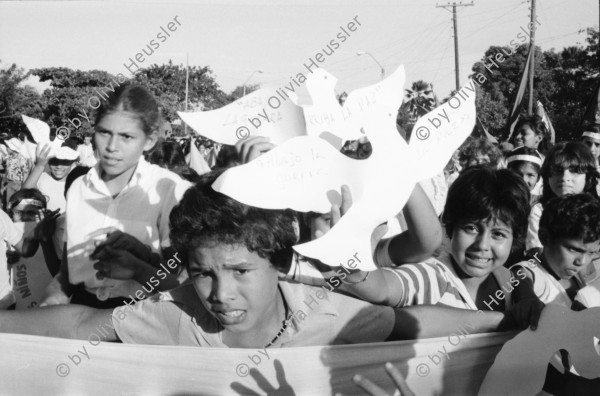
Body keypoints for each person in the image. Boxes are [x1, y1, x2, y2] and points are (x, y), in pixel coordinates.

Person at [0, 171, 524, 345]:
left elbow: (407, 325)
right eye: (203, 272)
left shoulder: (327, 312)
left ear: (279, 263)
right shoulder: (178, 313)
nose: (220, 295)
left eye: (241, 271)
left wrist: (506, 324)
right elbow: (86, 326)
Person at [338, 167, 544, 330]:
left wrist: (527, 296)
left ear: (515, 238)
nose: (482, 245)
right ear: (450, 226)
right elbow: (382, 288)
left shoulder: (505, 279)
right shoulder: (433, 276)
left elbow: (521, 278)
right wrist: (354, 269)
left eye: (498, 234)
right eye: (471, 228)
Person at [41, 84, 191, 309]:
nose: (112, 147)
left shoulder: (171, 190)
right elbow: (66, 275)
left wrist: (139, 269)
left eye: (126, 137)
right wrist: (52, 300)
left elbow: (183, 285)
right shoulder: (79, 188)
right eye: (104, 132)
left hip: (144, 317)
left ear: (149, 141)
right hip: (82, 313)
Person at [513, 193, 600, 396]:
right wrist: (528, 299)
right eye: (573, 249)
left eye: (591, 252)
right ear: (544, 237)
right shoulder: (529, 271)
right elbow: (520, 280)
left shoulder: (580, 277)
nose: (582, 261)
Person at [526, 142, 600, 251]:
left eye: (574, 171)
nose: (565, 177)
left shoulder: (596, 212)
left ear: (588, 177)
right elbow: (535, 253)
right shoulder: (540, 211)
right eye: (557, 171)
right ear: (547, 177)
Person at [6, 189, 59, 309]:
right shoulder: (5, 234)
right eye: (19, 212)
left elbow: (60, 273)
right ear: (10, 213)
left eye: (31, 213)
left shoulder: (54, 232)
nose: (25, 217)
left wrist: (46, 240)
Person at [22, 143, 79, 212]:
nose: (58, 166)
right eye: (54, 161)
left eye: (65, 162)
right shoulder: (40, 178)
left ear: (73, 164)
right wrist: (39, 166)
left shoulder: (76, 183)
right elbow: (24, 194)